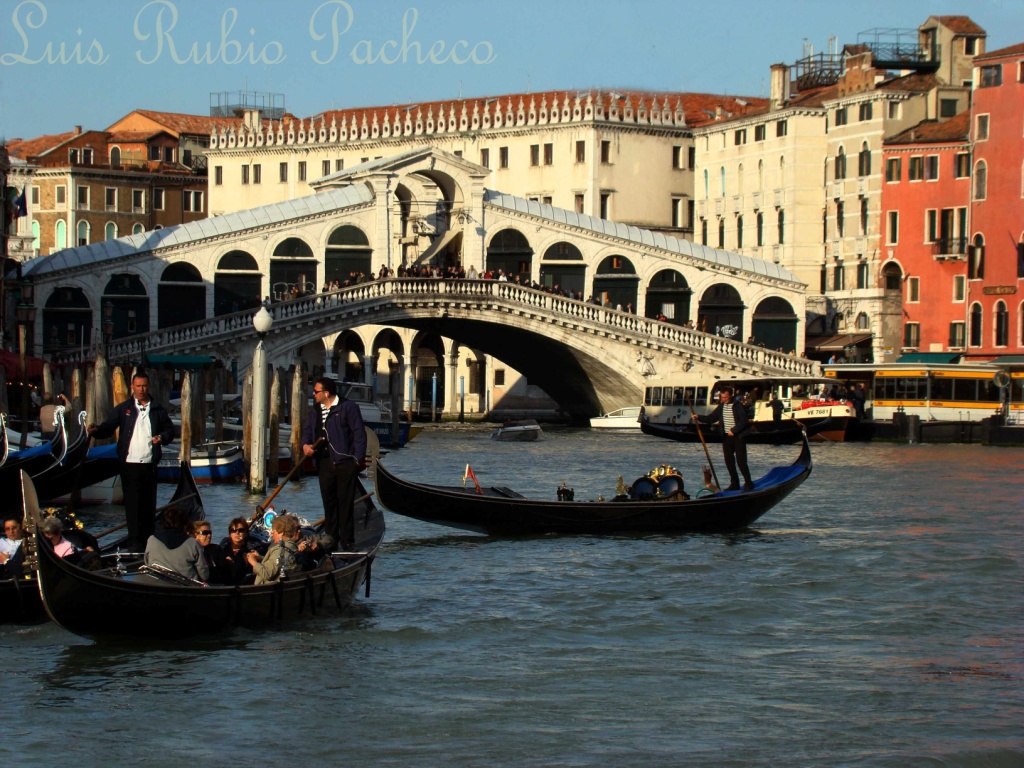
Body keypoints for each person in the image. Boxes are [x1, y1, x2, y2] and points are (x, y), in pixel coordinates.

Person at [88, 371, 175, 551]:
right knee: (132, 508)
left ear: (148, 387)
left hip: (149, 465)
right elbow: (108, 427)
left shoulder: (158, 409)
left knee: (148, 507)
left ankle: (148, 544)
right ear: (132, 387)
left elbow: (170, 431)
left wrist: (162, 437)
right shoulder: (124, 408)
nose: (141, 389)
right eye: (138, 386)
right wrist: (95, 430)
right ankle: (134, 545)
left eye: (144, 386)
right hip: (129, 465)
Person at [301, 378, 367, 551]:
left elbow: (359, 434)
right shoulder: (316, 409)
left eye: (316, 392)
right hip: (324, 462)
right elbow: (308, 430)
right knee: (329, 503)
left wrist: (356, 460)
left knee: (345, 503)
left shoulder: (348, 407)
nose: (313, 395)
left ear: (326, 393)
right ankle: (331, 539)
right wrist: (305, 445)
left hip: (346, 463)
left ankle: (347, 541)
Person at [693, 386, 754, 492]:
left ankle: (749, 483)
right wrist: (699, 417)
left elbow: (744, 420)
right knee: (729, 462)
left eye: (725, 397)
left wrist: (734, 430)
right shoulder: (721, 406)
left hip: (738, 437)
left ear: (731, 396)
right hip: (726, 437)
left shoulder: (738, 406)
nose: (723, 399)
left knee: (741, 462)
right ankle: (734, 484)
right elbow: (712, 418)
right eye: (722, 397)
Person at [144, 506, 209, 582]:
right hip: (186, 586)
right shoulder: (193, 543)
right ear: (185, 523)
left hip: (156, 582)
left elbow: (147, 562)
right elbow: (204, 575)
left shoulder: (152, 539)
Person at [246, 514, 300, 585]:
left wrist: (253, 562)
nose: (271, 534)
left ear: (281, 532)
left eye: (273, 532)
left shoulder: (280, 550)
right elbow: (277, 564)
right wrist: (261, 558)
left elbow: (267, 574)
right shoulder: (292, 546)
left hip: (267, 590)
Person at [218, 517, 257, 584]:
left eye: (240, 530)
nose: (237, 533)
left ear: (246, 533)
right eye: (233, 530)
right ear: (230, 534)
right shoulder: (222, 549)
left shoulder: (251, 550)